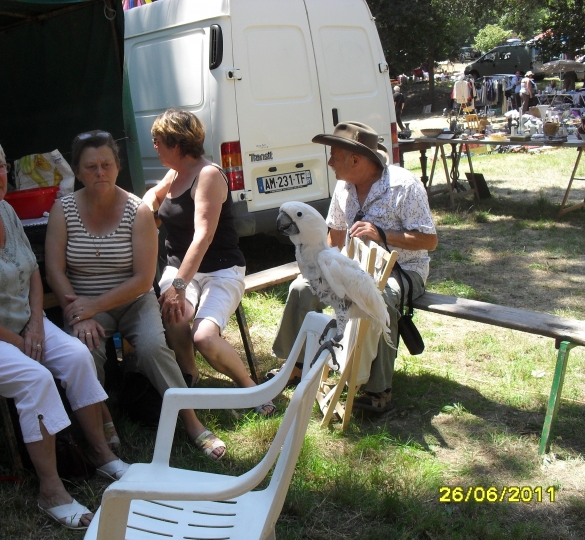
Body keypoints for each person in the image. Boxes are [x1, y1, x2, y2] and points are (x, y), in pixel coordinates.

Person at [0, 135, 128, 531]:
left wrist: (35, 323)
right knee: (36, 379)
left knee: (79, 357)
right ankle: (51, 490)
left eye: (0, 166)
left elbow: (33, 272)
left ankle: (103, 454)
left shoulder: (5, 210)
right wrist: (20, 343)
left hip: (19, 322)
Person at [44, 129, 226, 460]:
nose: (99, 173)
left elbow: (144, 281)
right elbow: (54, 271)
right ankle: (105, 422)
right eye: (90, 167)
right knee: (85, 352)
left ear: (117, 166)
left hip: (131, 301)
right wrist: (76, 311)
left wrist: (91, 307)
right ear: (78, 170)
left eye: (106, 164)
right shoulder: (63, 210)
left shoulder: (137, 209)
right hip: (83, 302)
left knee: (154, 347)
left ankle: (192, 421)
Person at [271, 122, 437, 412]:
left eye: (334, 155)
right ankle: (295, 365)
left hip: (402, 270)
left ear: (356, 160)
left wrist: (382, 234)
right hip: (352, 267)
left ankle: (377, 391)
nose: (330, 161)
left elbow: (429, 240)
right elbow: (333, 236)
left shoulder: (404, 186)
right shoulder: (343, 187)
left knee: (382, 297)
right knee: (302, 287)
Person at [142, 109, 275, 416]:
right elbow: (153, 195)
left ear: (176, 143)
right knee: (174, 314)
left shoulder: (208, 175)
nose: (154, 145)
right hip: (181, 267)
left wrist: (177, 285)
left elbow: (202, 238)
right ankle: (191, 378)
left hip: (221, 269)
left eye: (157, 139)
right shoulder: (175, 172)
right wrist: (148, 209)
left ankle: (250, 388)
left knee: (203, 336)